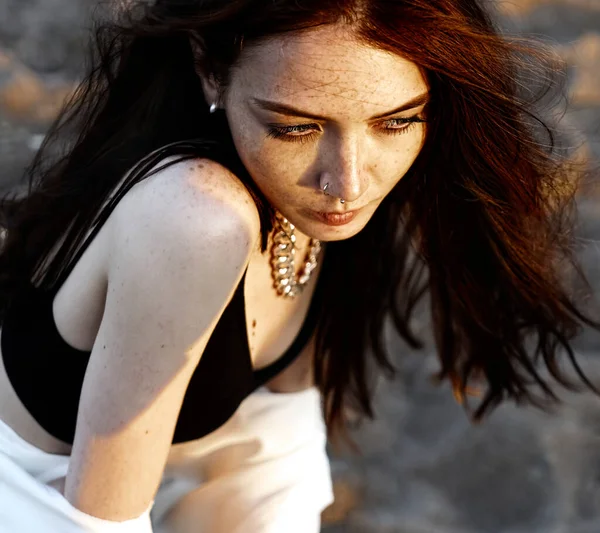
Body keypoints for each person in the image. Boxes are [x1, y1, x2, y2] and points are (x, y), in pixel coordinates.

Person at [0, 0, 599, 531]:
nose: (349, 183)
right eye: (294, 127)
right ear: (210, 69)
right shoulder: (193, 219)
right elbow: (94, 518)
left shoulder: (329, 193)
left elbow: (273, 438)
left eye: (395, 121)